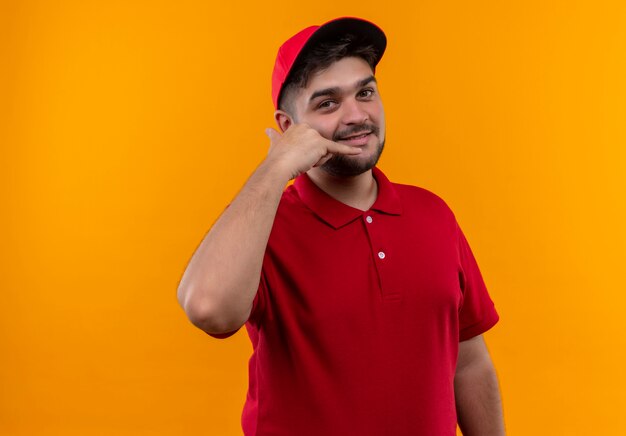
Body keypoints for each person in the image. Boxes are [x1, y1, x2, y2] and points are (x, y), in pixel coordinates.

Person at [177, 17, 505, 436]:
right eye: (328, 103)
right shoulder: (262, 226)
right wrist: (278, 165)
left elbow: (470, 361)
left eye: (365, 92)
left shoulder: (434, 214)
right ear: (288, 128)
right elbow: (209, 309)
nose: (356, 116)